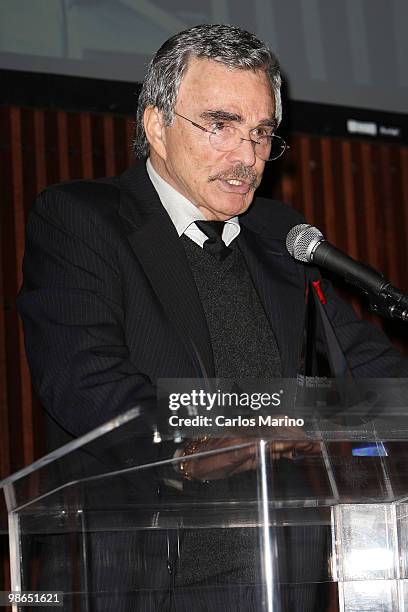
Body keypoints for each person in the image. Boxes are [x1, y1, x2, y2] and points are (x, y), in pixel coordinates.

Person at [17, 23, 408, 612]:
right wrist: (208, 444)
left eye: (260, 134)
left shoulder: (280, 234)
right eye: (221, 125)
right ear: (156, 124)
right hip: (143, 574)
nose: (246, 157)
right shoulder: (83, 220)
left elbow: (372, 375)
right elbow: (85, 382)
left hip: (281, 577)